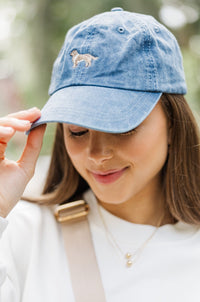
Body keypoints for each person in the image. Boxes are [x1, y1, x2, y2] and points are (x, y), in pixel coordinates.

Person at [0, 7, 200, 302]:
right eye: (77, 132)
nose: (96, 155)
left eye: (121, 127)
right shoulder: (23, 233)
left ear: (173, 123)